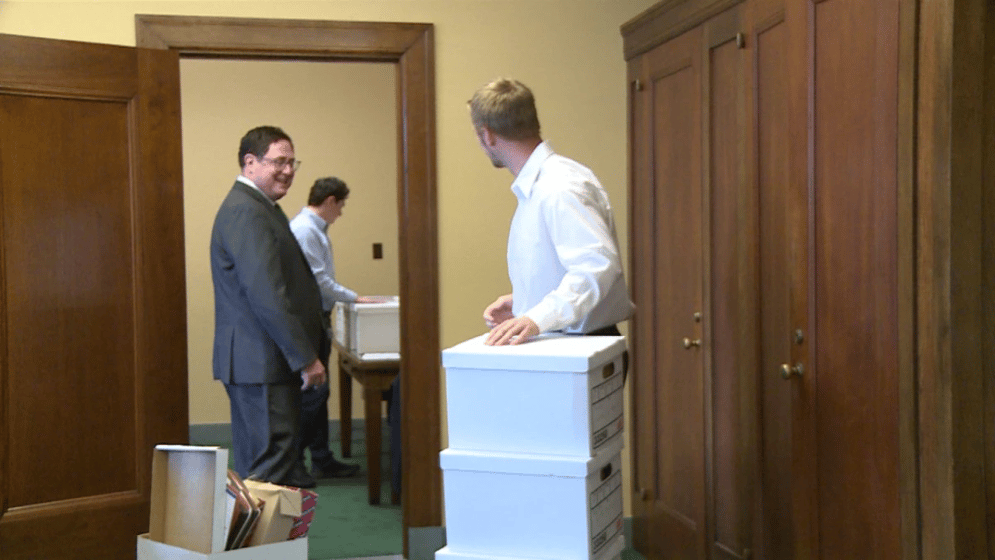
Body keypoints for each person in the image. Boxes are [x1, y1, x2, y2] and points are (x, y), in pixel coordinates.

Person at [469, 78, 635, 346]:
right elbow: (572, 268)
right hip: (570, 347)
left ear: (486, 135)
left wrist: (537, 318)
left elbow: (596, 266)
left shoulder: (558, 187)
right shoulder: (542, 187)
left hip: (582, 348)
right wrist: (526, 302)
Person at [211, 125, 327, 489]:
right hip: (261, 362)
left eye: (293, 163)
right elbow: (266, 294)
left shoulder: (259, 207)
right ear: (250, 162)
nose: (288, 171)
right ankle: (255, 532)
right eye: (279, 162)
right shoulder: (247, 211)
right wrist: (305, 357)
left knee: (271, 469)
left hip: (265, 362)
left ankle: (269, 531)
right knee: (269, 473)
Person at [289, 177, 371, 479]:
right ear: (330, 201)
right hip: (308, 319)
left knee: (318, 393)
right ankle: (295, 462)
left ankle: (321, 458)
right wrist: (354, 297)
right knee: (311, 395)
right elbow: (318, 280)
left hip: (317, 317)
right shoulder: (305, 230)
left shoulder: (314, 229)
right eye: (341, 206)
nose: (341, 213)